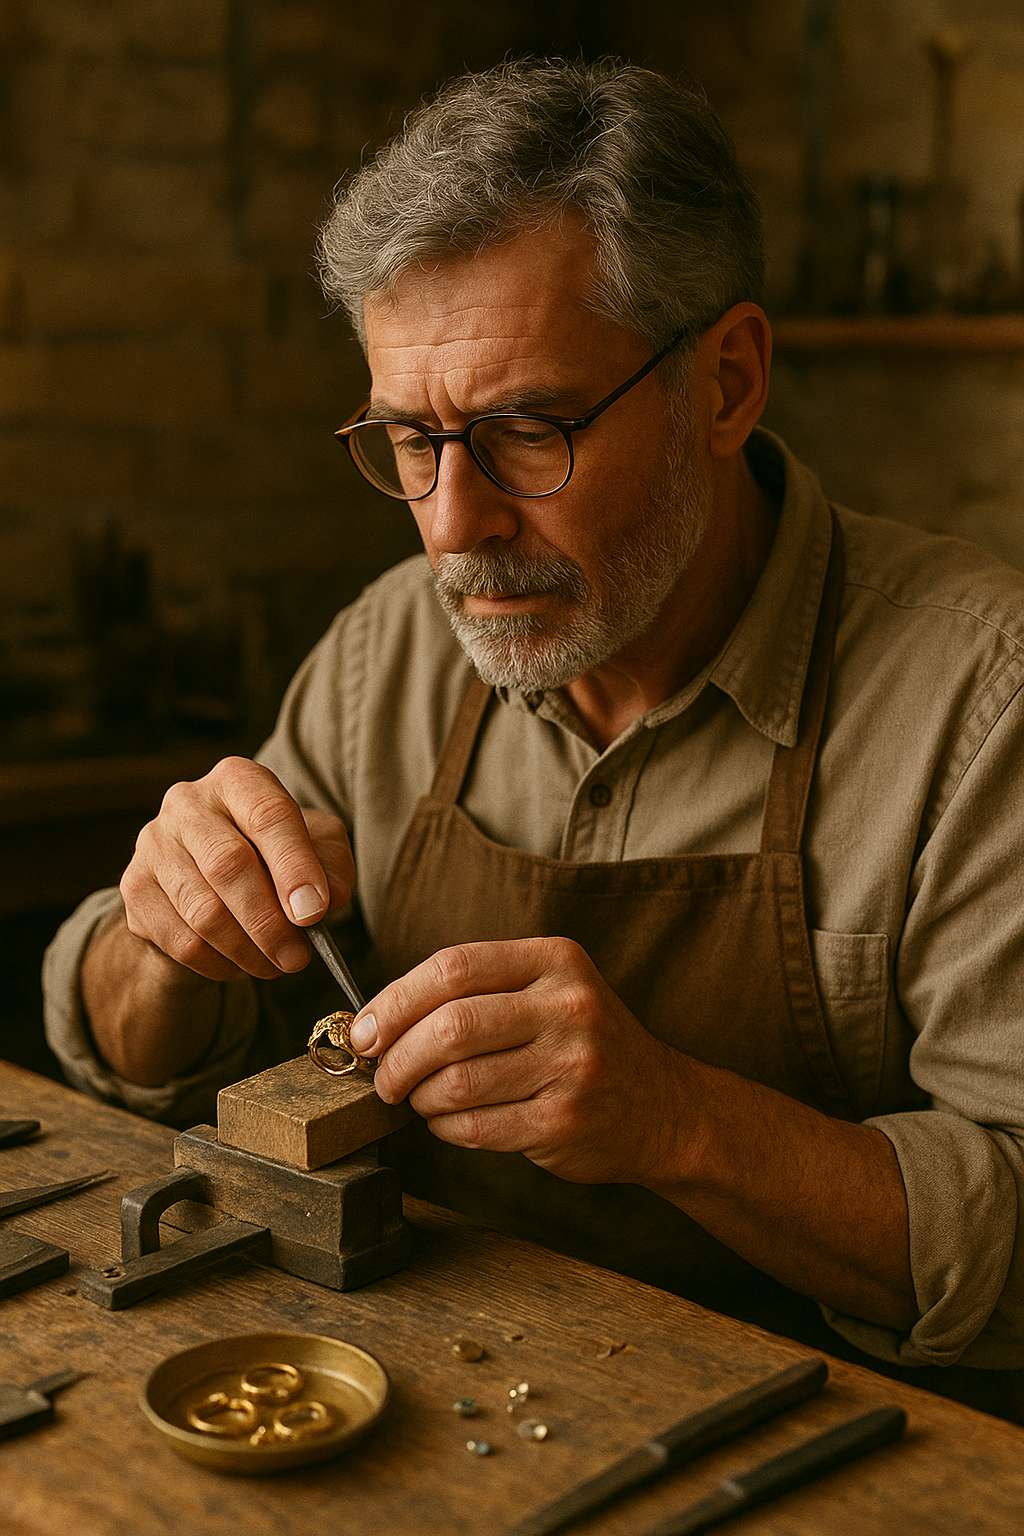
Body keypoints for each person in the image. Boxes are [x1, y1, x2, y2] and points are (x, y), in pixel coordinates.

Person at [43, 59, 1024, 1419]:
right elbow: (132, 1050)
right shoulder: (391, 647)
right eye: (411, 441)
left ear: (726, 383)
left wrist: (679, 1123)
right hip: (427, 1407)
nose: (453, 526)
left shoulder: (982, 703)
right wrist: (162, 944)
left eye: (526, 431)